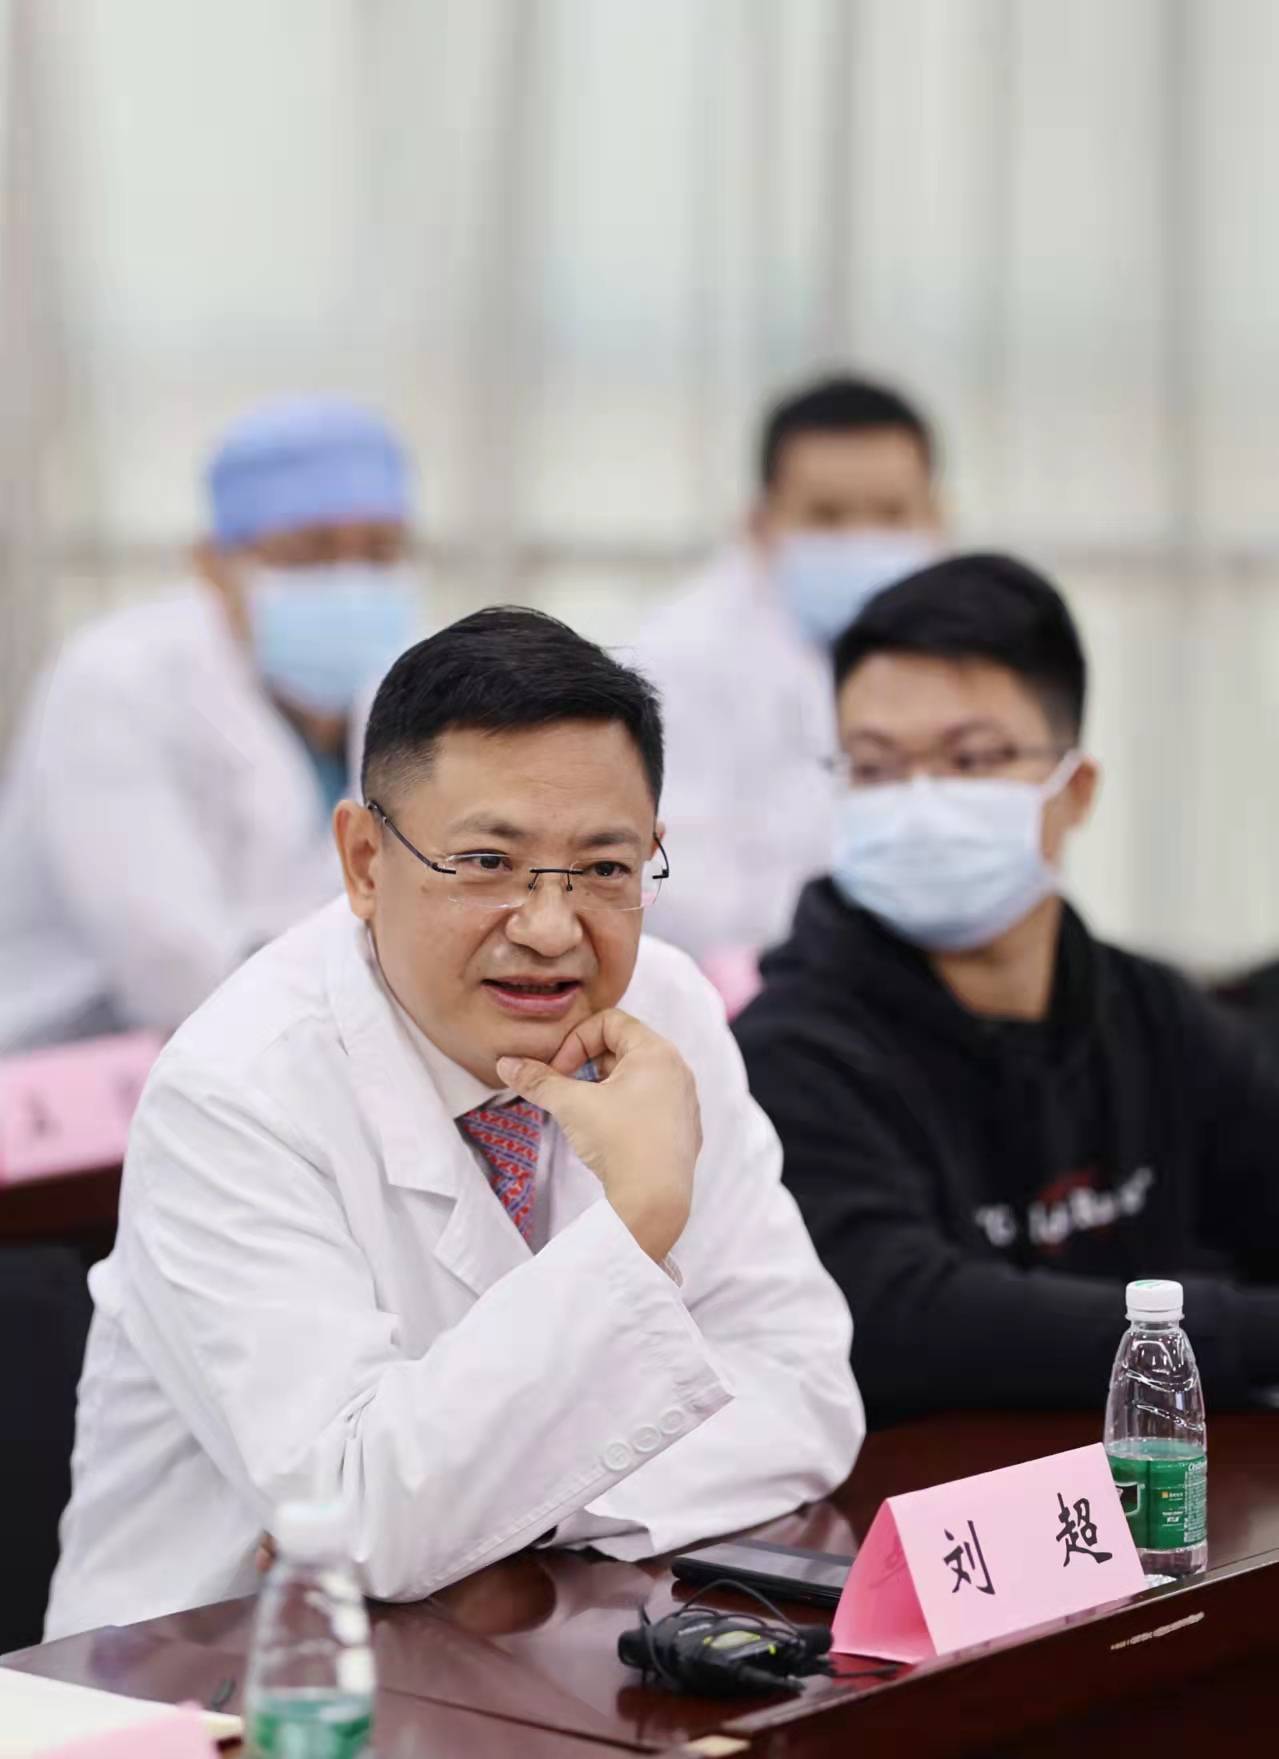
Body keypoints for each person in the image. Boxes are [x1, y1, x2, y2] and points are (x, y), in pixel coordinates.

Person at [45, 607, 862, 1637]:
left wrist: (495, 1507)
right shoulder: (232, 1089)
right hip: (215, 1670)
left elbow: (807, 1393)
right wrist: (637, 1226)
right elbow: (355, 1518)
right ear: (363, 861)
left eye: (604, 868)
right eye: (485, 862)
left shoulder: (666, 1010)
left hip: (527, 1633)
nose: (551, 927)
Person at [734, 554, 1279, 1427]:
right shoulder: (785, 1052)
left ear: (1075, 790)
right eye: (874, 767)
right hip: (910, 1498)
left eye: (972, 757)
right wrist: (1240, 1335)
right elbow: (899, 1317)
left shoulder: (1152, 1013)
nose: (919, 803)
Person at [0, 397, 421, 1051]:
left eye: (380, 552)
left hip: (311, 1030)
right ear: (213, 564)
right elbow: (172, 963)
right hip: (83, 1049)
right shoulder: (116, 681)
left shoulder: (403, 683)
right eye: (308, 553)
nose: (350, 580)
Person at [636, 373, 942, 977]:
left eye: (890, 515)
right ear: (761, 521)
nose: (861, 540)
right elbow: (670, 868)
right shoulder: (680, 655)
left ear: (936, 517)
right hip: (743, 987)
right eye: (827, 517)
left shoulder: (972, 648)